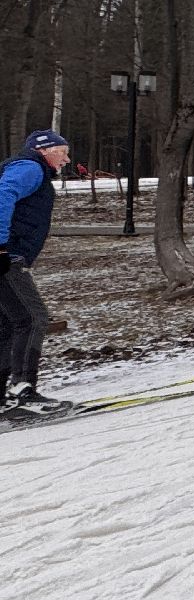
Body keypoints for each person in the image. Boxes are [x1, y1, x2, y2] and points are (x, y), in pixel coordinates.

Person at [0, 130, 73, 418]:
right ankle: (23, 390)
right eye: (63, 152)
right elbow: (3, 194)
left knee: (8, 325)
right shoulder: (30, 167)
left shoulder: (27, 167)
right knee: (32, 318)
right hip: (8, 256)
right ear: (44, 150)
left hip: (11, 254)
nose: (67, 159)